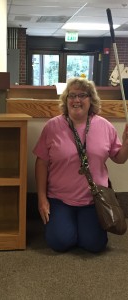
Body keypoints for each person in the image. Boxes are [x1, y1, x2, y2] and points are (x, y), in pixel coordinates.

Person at [33, 77, 128, 253]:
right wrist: (41, 198)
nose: (76, 100)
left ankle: (79, 227)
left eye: (82, 95)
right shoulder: (52, 127)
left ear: (91, 99)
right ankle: (69, 225)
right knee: (59, 242)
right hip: (60, 198)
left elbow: (119, 158)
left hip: (94, 199)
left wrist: (126, 143)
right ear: (66, 99)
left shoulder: (105, 126)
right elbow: (41, 162)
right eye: (72, 95)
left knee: (94, 245)